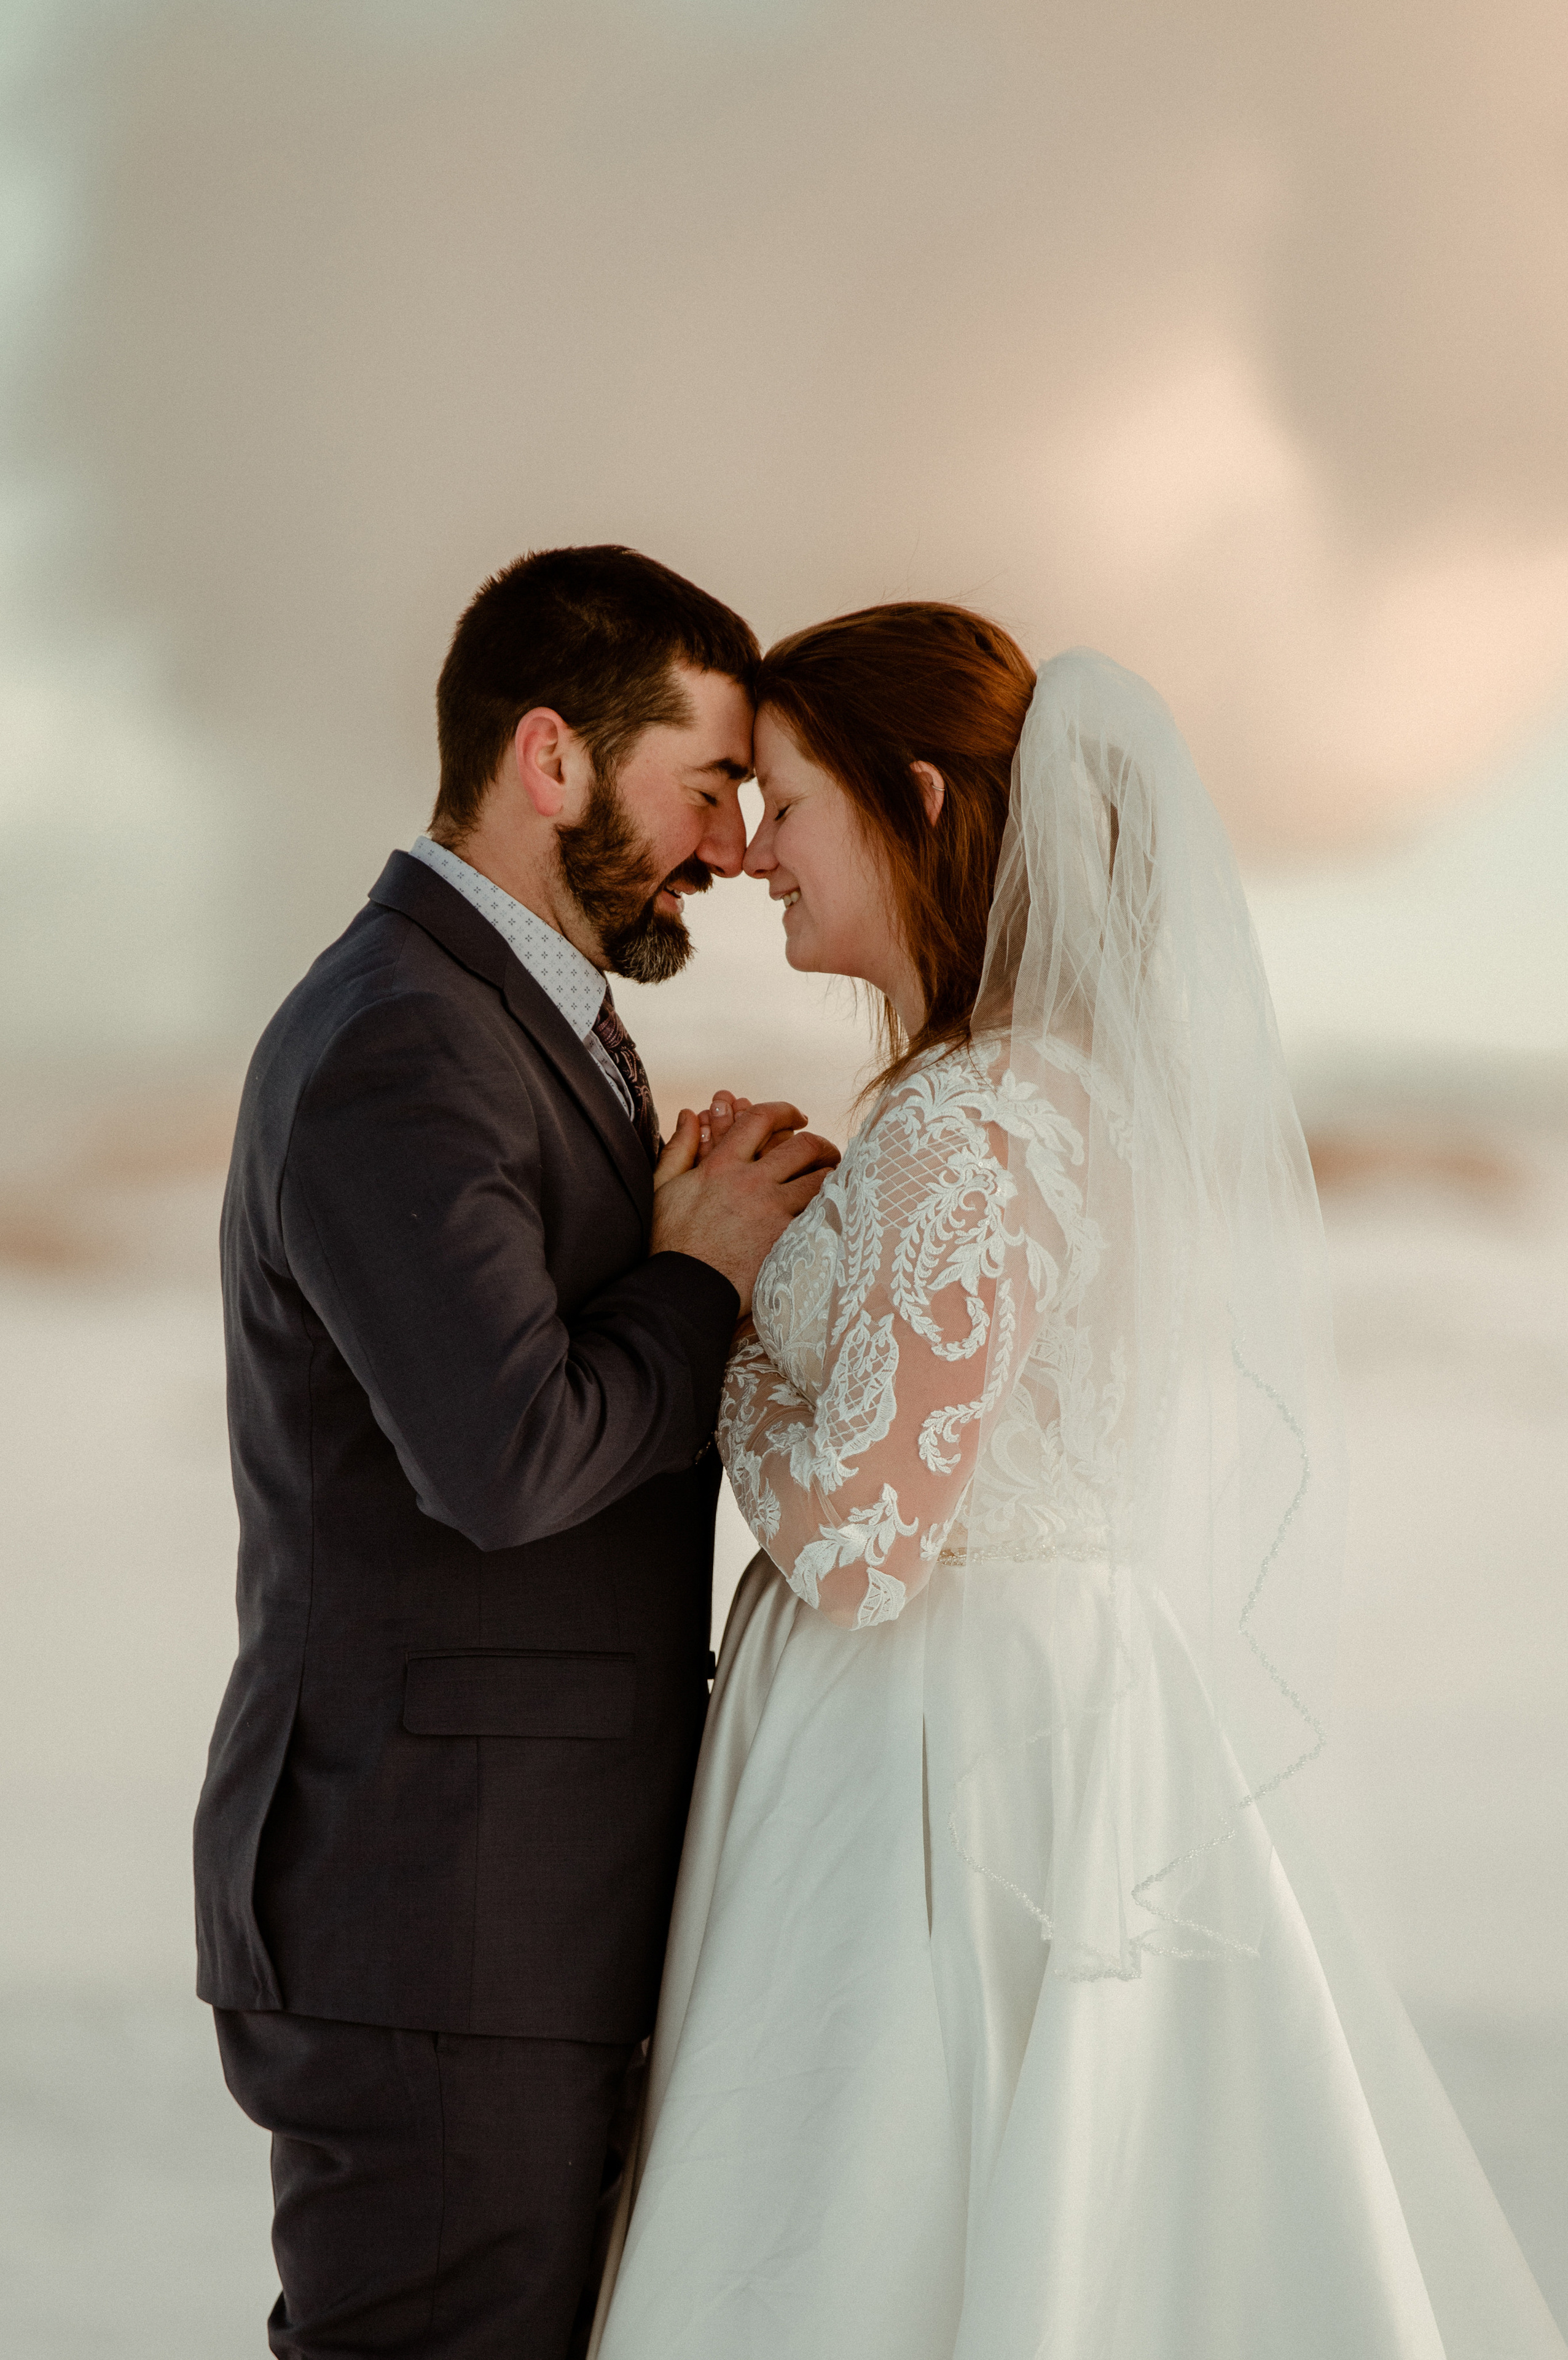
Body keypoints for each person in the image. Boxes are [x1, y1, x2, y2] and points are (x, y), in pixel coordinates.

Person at [590, 605, 1566, 2358]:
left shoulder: (973, 1125)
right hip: (1034, 1704)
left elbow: (874, 1542)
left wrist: (715, 1299)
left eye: (789, 804)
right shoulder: (1014, 1097)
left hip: (936, 1761)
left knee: (881, 2210)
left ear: (912, 799)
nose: (753, 859)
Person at [193, 545, 838, 2359]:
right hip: (436, 1926)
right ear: (551, 759)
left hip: (505, 1912)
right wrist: (697, 1271)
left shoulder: (509, 1022)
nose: (728, 843)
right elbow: (511, 1461)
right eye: (704, 781)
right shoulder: (404, 1042)